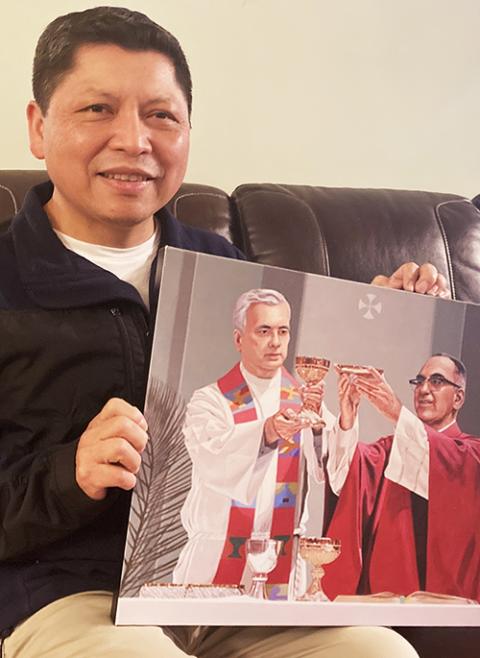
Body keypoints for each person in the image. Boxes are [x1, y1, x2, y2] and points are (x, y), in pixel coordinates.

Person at [0, 5, 446, 657]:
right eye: (97, 109)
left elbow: (308, 435)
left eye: (161, 115)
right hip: (71, 595)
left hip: (241, 584)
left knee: (381, 650)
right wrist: (69, 472)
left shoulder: (230, 277)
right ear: (40, 127)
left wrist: (368, 329)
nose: (134, 139)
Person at [173, 288, 332, 598]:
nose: (275, 342)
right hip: (218, 551)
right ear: (238, 339)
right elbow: (213, 459)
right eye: (263, 331)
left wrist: (317, 428)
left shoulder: (303, 399)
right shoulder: (210, 401)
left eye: (282, 331)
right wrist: (268, 431)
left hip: (283, 555)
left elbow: (327, 470)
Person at [323, 354, 480, 602]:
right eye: (419, 381)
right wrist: (347, 417)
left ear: (458, 397)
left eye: (437, 381)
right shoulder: (390, 448)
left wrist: (396, 411)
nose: (424, 389)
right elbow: (345, 479)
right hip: (385, 594)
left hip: (444, 600)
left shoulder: (471, 453)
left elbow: (444, 460)